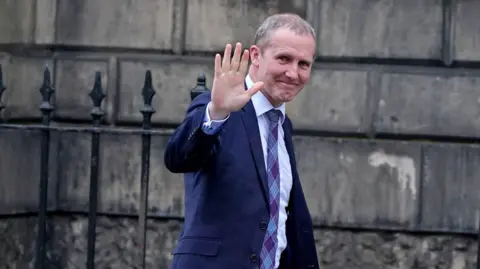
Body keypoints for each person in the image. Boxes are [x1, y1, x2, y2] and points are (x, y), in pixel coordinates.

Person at [164, 13, 319, 269]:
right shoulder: (218, 108)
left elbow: (280, 217)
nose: (293, 73)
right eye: (284, 59)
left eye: (304, 64)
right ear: (256, 56)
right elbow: (178, 157)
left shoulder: (282, 125)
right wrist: (217, 112)